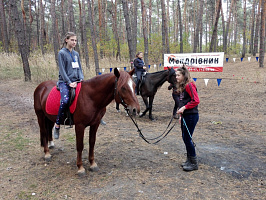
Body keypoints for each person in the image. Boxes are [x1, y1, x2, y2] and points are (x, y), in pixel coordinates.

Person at [54, 32, 84, 139]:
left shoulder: (76, 54)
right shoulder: (61, 53)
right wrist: (68, 82)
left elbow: (79, 68)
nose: (74, 42)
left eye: (75, 40)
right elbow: (62, 70)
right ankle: (57, 125)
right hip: (65, 82)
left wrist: (81, 78)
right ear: (66, 40)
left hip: (77, 81)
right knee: (65, 100)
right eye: (72, 40)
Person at [175, 65, 200, 171]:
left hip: (191, 115)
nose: (176, 77)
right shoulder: (183, 86)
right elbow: (184, 100)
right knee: (185, 138)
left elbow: (196, 100)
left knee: (187, 139)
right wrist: (181, 114)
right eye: (176, 75)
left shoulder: (189, 85)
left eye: (178, 75)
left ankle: (194, 163)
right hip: (185, 115)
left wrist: (184, 108)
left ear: (184, 75)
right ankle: (189, 159)